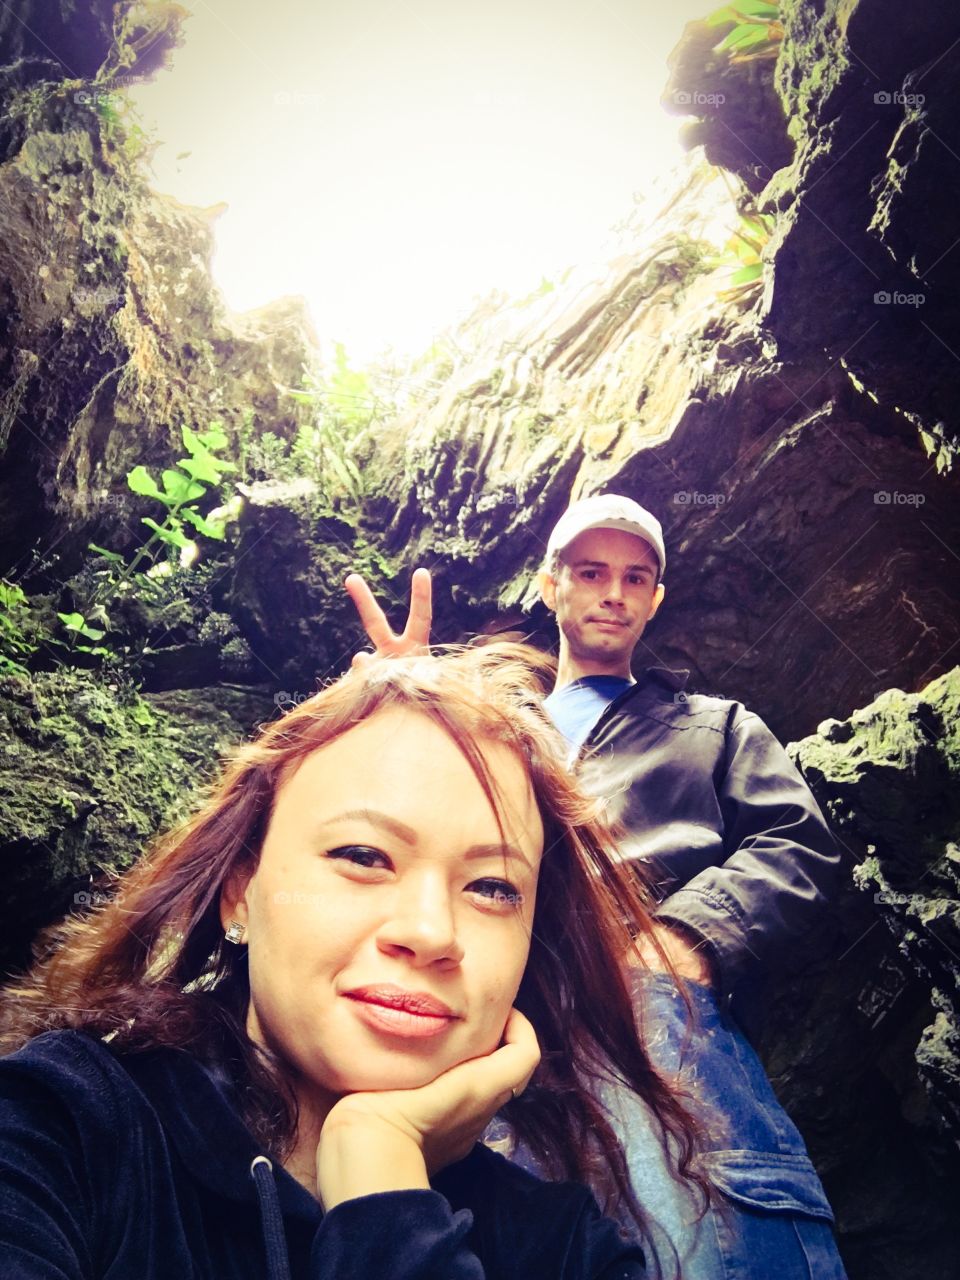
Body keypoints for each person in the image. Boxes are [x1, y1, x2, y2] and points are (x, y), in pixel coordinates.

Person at [0, 642, 714, 1279]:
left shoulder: (564, 1249)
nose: (431, 932)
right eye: (363, 856)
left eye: (493, 888)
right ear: (239, 892)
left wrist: (382, 1180)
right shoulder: (62, 1126)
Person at [345, 493, 850, 1280]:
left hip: (651, 1004)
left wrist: (683, 937)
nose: (613, 592)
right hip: (494, 1010)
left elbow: (799, 842)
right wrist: (398, 712)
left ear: (655, 599)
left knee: (703, 1241)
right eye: (591, 572)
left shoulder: (713, 725)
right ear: (551, 587)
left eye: (634, 577)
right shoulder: (495, 733)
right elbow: (389, 838)